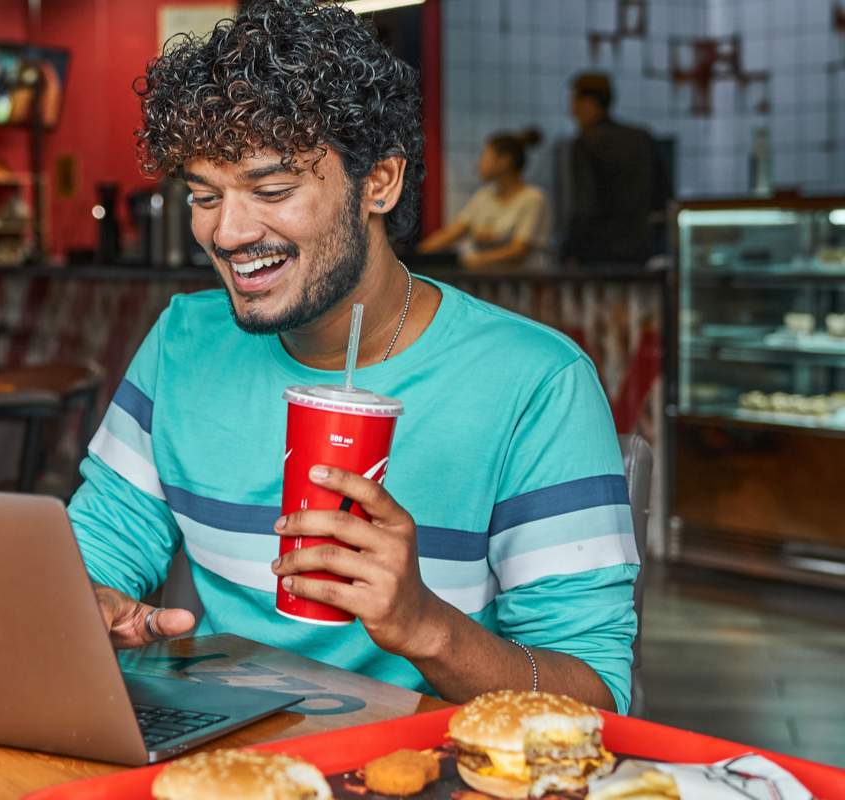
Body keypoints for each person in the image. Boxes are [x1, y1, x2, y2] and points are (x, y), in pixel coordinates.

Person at [69, 0, 639, 713]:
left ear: (379, 183)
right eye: (204, 195)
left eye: (272, 189)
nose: (229, 231)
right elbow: (96, 551)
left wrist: (425, 626)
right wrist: (88, 606)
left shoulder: (535, 383)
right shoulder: (184, 342)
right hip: (224, 759)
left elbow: (597, 700)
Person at [563, 72, 671, 268]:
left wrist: (569, 251)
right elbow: (663, 195)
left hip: (596, 252)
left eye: (574, 102)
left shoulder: (585, 143)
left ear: (588, 102)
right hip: (640, 249)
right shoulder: (642, 137)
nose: (572, 111)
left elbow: (583, 204)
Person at [417, 129, 552, 271]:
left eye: (485, 156)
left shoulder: (533, 198)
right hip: (490, 285)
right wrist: (416, 254)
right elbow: (452, 233)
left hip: (525, 287)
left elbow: (519, 250)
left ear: (505, 161)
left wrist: (474, 260)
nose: (479, 163)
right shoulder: (484, 196)